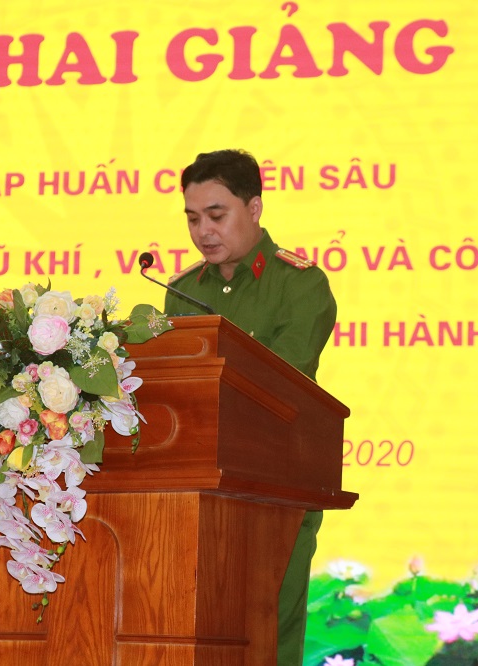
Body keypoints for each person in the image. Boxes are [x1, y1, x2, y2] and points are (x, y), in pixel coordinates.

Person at [163, 149, 337, 665]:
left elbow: (283, 384)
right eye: (193, 218)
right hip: (195, 493)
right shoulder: (180, 292)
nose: (204, 231)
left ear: (254, 208)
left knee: (265, 638)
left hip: (273, 489)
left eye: (217, 215)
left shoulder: (300, 284)